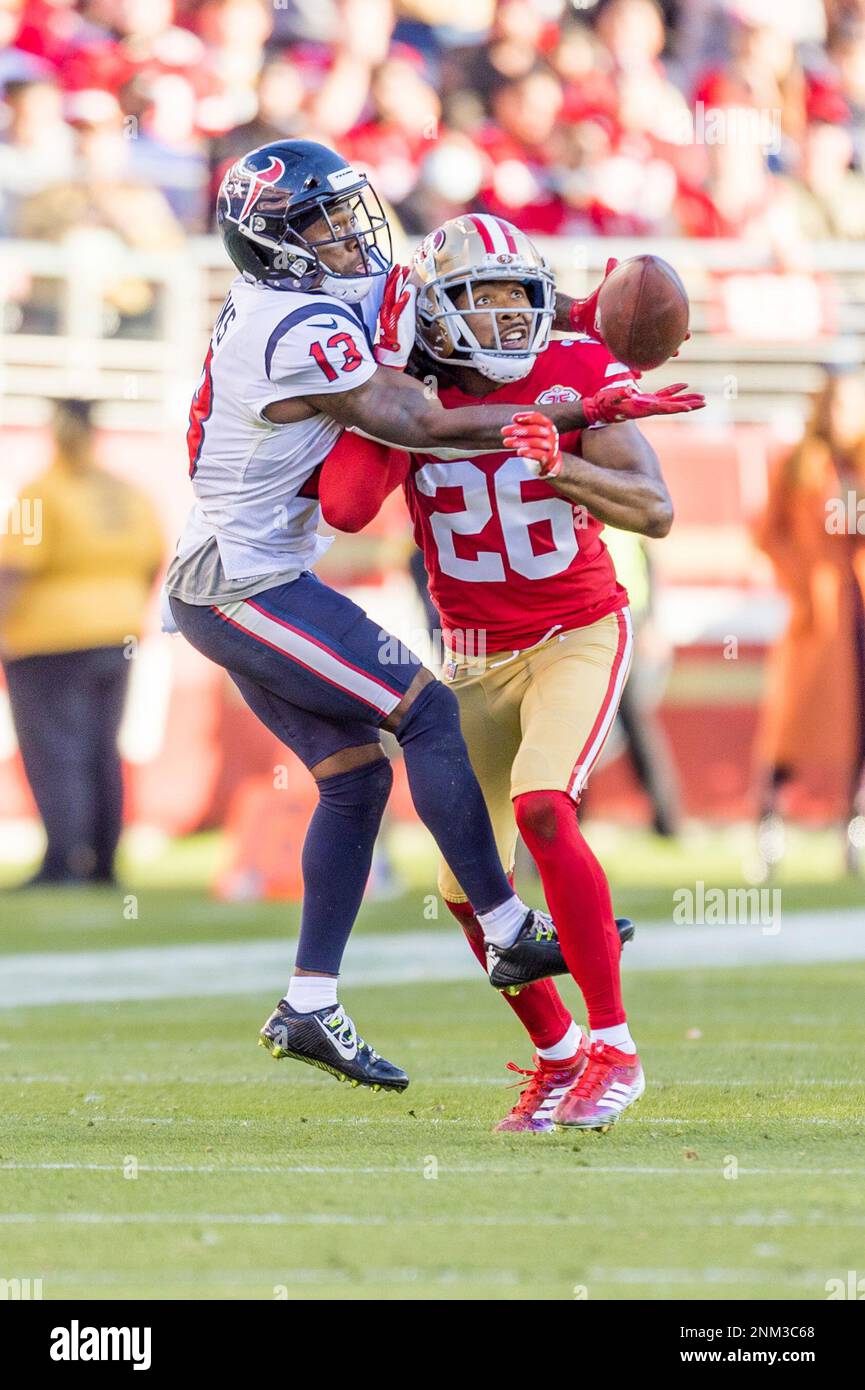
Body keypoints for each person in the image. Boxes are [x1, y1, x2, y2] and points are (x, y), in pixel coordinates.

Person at [164, 138, 661, 1095]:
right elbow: (419, 422)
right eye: (321, 224)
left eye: (346, 212)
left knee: (353, 780)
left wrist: (577, 315)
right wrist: (569, 407)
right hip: (240, 584)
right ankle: (511, 929)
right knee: (424, 709)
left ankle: (309, 1003)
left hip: (248, 574)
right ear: (275, 246)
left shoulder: (323, 296)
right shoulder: (295, 325)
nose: (350, 235)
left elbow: (444, 296)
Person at [319, 214, 703, 1130]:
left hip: (575, 629)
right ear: (435, 312)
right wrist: (387, 411)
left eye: (516, 298)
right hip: (471, 656)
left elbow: (653, 510)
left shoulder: (573, 366)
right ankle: (558, 1054)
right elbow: (343, 505)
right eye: (479, 301)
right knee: (466, 886)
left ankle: (614, 1049)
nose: (502, 321)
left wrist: (559, 462)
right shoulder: (403, 392)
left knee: (542, 804)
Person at [0, 399, 164, 888]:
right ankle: (104, 864)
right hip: (119, 635)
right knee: (101, 750)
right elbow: (155, 559)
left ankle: (65, 862)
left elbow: (13, 571)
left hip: (50, 640)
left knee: (57, 753)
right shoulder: (127, 493)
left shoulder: (40, 493)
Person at [753, 367, 865, 874]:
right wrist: (799, 581)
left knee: (858, 726)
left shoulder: (860, 463)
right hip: (817, 614)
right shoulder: (800, 463)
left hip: (858, 604)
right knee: (792, 726)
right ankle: (770, 826)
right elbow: (767, 532)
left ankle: (853, 829)